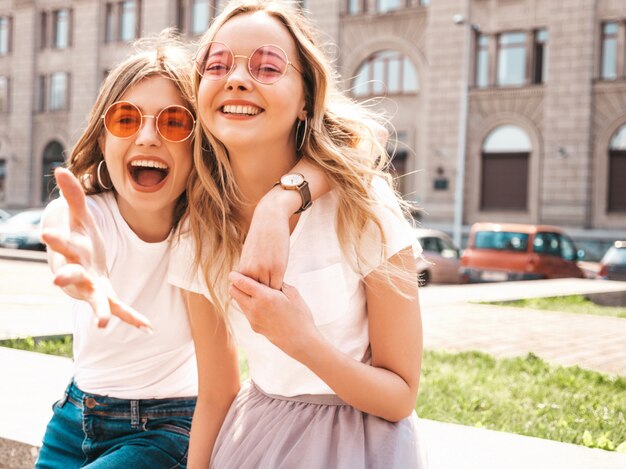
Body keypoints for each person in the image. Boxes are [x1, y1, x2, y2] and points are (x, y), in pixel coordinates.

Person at [35, 31, 329, 468]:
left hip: (167, 427)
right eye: (125, 120)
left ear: (198, 146)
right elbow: (71, 243)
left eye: (174, 123)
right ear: (102, 139)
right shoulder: (83, 214)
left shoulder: (203, 235)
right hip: (74, 416)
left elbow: (222, 385)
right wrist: (85, 273)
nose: (149, 137)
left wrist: (279, 200)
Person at [169, 1, 428, 467]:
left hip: (359, 444)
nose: (237, 78)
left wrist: (302, 340)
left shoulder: (362, 211)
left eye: (267, 66)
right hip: (252, 441)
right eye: (217, 65)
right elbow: (214, 396)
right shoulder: (199, 231)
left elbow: (400, 396)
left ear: (306, 98)